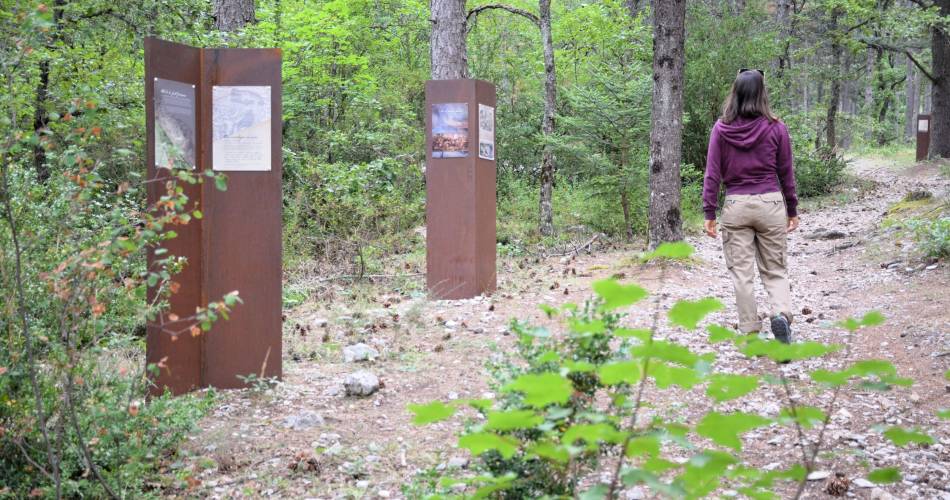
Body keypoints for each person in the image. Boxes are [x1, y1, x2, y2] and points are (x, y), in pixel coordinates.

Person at [702, 69, 799, 343]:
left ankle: (750, 329)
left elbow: (713, 173)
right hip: (770, 202)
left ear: (736, 93)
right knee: (775, 269)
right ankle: (780, 314)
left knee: (741, 273)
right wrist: (792, 209)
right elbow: (786, 172)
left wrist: (709, 212)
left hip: (736, 204)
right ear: (762, 94)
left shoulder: (721, 129)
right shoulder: (776, 127)